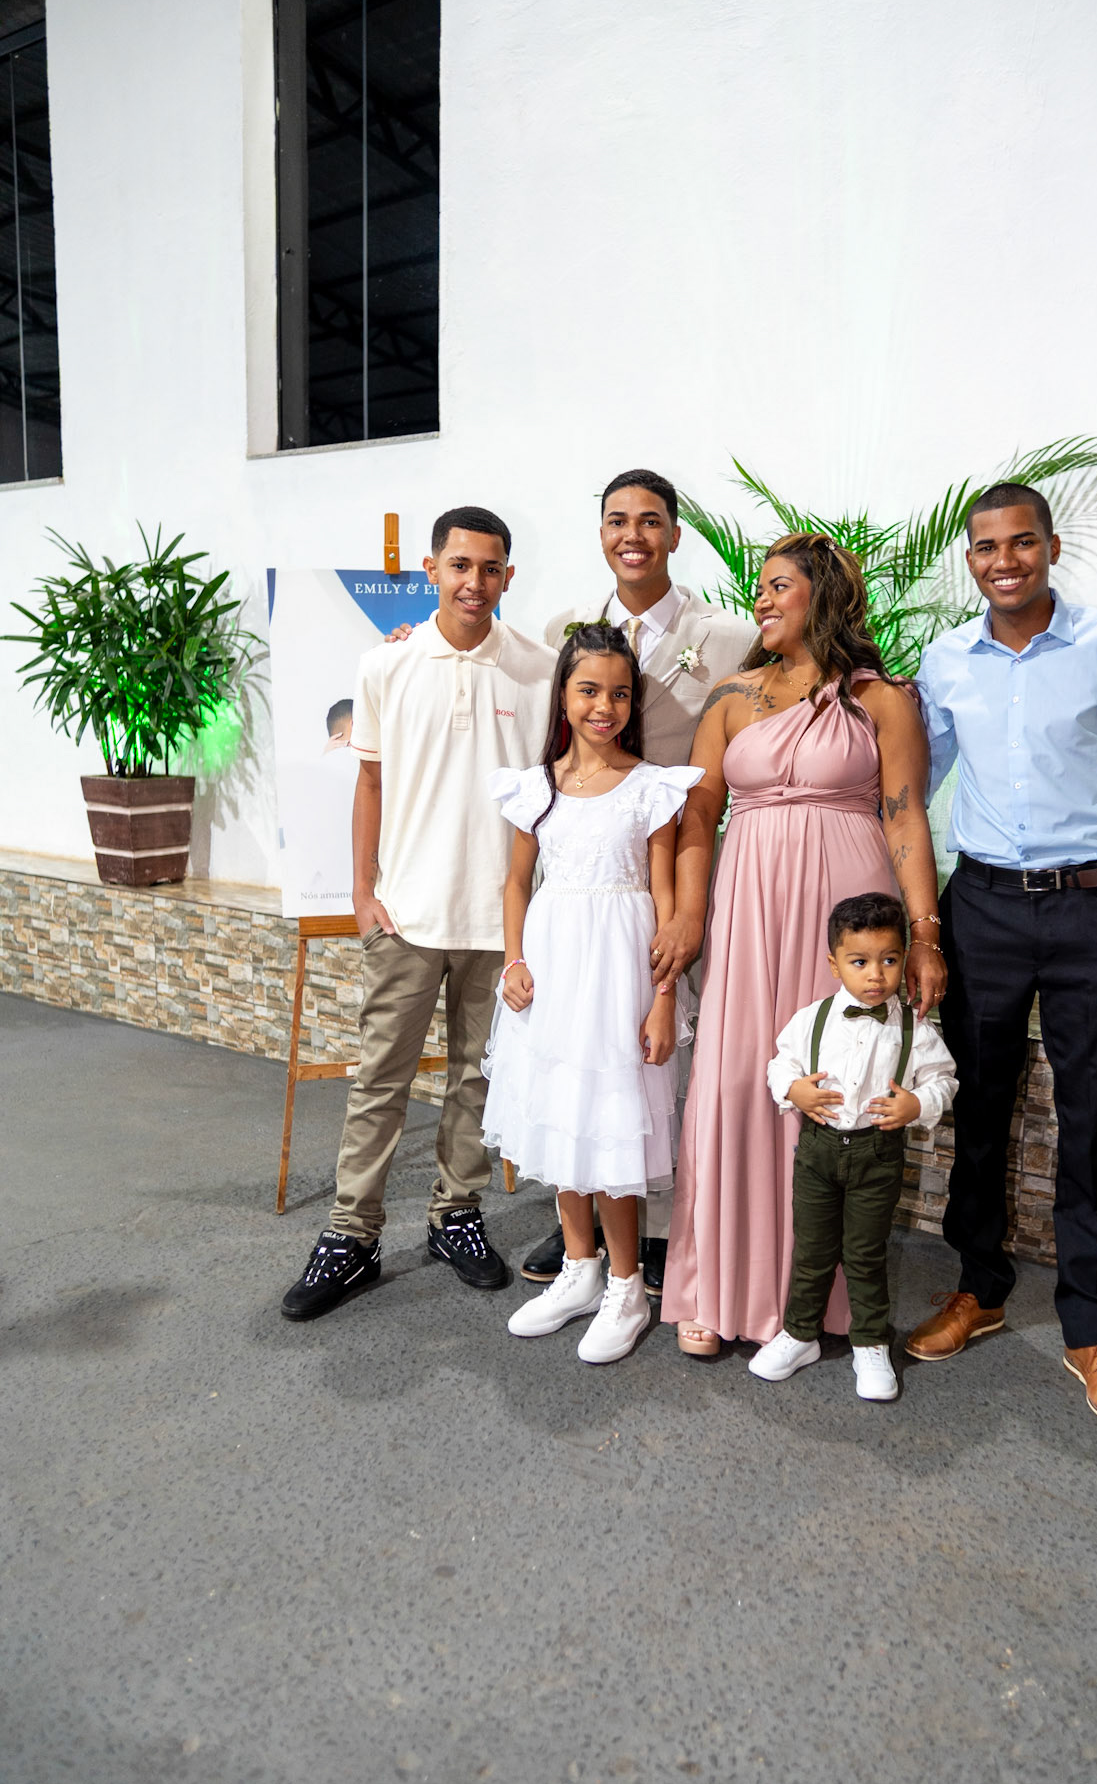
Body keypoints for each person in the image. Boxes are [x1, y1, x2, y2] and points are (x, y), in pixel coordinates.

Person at [908, 482, 1097, 1427]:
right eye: (986, 548)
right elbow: (917, 783)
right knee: (979, 1112)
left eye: (1021, 542)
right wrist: (917, 914)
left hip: (1091, 912)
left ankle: (1092, 1332)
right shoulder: (945, 658)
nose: (1004, 561)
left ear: (1051, 547)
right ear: (970, 560)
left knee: (1088, 1125)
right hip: (981, 908)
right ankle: (978, 1290)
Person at [655, 532, 949, 1356]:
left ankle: (813, 1301)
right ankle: (716, 1285)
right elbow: (697, 818)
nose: (760, 599)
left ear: (824, 594)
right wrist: (687, 916)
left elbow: (904, 818)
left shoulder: (880, 698)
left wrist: (923, 935)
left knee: (835, 1082)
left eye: (778, 585)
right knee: (736, 1079)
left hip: (843, 908)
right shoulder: (730, 697)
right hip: (748, 908)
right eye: (759, 586)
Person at [280, 507, 556, 1322]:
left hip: (499, 917)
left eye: (491, 568)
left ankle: (455, 1215)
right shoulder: (385, 664)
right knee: (379, 1082)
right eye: (460, 565)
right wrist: (363, 894)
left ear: (508, 577)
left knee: (476, 1078)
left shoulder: (540, 671)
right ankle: (351, 1235)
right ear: (431, 570)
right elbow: (368, 783)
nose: (475, 582)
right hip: (404, 914)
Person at [521, 467, 755, 1294]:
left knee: (662, 1049)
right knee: (586, 1050)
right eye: (617, 520)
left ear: (674, 534)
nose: (633, 535)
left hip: (672, 866)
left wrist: (687, 910)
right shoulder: (562, 628)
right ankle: (587, 1225)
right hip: (589, 868)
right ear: (600, 534)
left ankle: (661, 1230)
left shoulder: (727, 637)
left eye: (649, 521)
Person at [482, 624, 702, 1363]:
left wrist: (663, 997)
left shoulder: (651, 788)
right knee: (559, 1118)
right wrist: (513, 960)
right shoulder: (536, 787)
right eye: (588, 690)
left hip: (618, 977)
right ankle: (579, 1270)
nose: (604, 706)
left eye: (619, 693)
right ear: (563, 696)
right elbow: (517, 883)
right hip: (552, 971)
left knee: (609, 1124)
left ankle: (626, 1286)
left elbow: (666, 903)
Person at [750, 893, 958, 1401]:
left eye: (889, 960)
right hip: (816, 1154)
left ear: (903, 958)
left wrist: (918, 1104)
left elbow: (944, 1079)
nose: (876, 975)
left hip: (876, 1156)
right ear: (834, 964)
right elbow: (780, 1063)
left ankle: (870, 1341)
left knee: (865, 1255)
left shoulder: (915, 1028)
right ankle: (800, 1334)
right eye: (859, 962)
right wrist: (793, 1089)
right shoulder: (812, 1018)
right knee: (812, 1251)